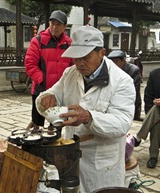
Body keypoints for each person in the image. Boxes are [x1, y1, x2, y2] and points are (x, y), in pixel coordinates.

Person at [35, 25, 136, 193]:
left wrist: (89, 117)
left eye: (85, 57)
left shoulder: (122, 81)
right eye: (76, 58)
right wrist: (45, 99)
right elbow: (54, 93)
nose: (80, 63)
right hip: (70, 155)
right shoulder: (70, 73)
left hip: (102, 163)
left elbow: (122, 123)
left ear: (101, 53)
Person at [24, 10, 74, 128]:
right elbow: (30, 64)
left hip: (60, 92)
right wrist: (42, 80)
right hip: (41, 90)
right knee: (37, 123)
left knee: (57, 123)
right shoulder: (38, 41)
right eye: (52, 23)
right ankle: (29, 143)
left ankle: (53, 145)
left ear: (65, 26)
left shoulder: (68, 44)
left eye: (58, 24)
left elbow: (73, 67)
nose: (54, 27)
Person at [108, 50, 142, 120]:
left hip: (128, 100)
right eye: (112, 62)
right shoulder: (109, 70)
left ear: (123, 61)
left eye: (116, 61)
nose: (114, 64)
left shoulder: (133, 70)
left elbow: (135, 92)